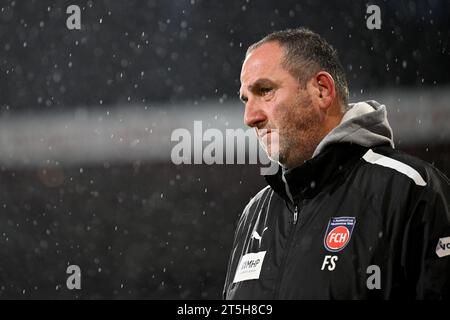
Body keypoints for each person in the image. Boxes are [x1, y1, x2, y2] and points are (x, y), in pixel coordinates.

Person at [223, 27, 450, 299]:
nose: (250, 117)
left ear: (322, 90)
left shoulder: (412, 190)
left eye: (265, 90)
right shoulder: (254, 215)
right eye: (246, 99)